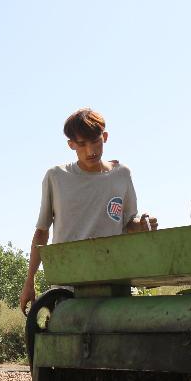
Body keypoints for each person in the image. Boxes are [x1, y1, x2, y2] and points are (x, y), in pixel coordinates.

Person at [19, 108, 157, 313]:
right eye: (82, 144)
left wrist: (143, 224)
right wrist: (29, 282)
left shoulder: (121, 174)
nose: (90, 151)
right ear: (71, 145)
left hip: (113, 283)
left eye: (95, 141)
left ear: (105, 137)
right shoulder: (56, 177)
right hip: (68, 286)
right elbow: (42, 231)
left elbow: (129, 223)